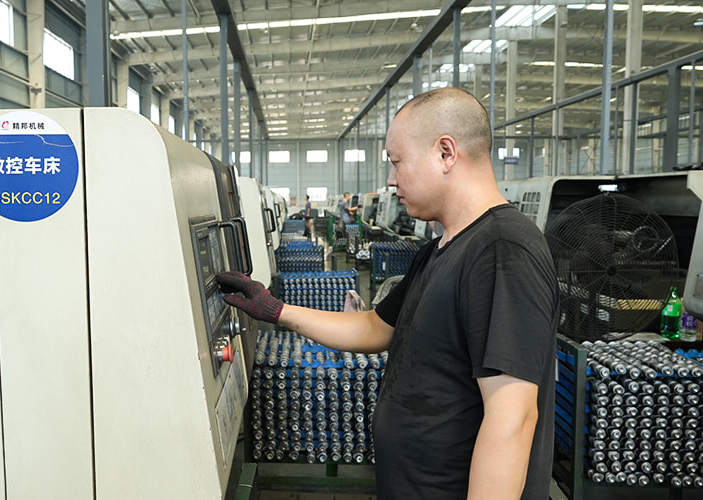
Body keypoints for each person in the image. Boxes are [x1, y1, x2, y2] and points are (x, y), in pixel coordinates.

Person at [217, 87, 558, 500]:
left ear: (446, 153)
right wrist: (276, 310)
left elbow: (512, 420)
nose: (391, 180)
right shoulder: (439, 250)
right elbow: (374, 327)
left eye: (397, 162)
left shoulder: (502, 250)